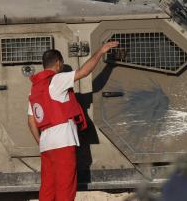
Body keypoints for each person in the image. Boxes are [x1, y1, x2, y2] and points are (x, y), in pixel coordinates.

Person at [27, 41, 119, 201]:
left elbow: (31, 121)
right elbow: (84, 71)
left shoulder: (35, 89)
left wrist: (41, 142)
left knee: (48, 189)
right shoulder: (57, 79)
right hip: (63, 142)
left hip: (46, 144)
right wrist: (101, 51)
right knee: (65, 188)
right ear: (58, 63)